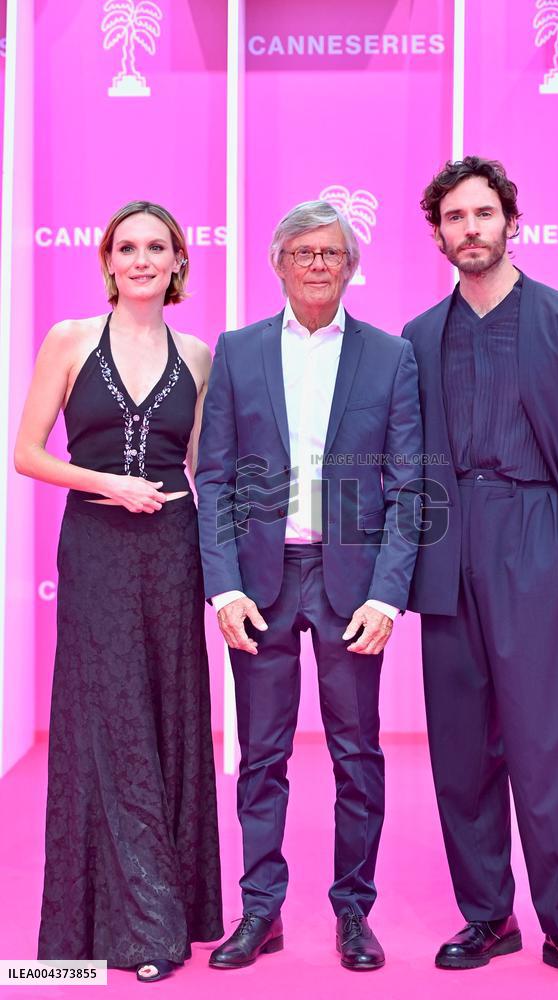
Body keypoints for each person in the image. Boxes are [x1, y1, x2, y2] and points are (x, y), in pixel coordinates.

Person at [402, 157, 558, 988]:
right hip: (445, 546)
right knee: (462, 751)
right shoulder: (418, 337)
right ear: (438, 234)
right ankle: (486, 916)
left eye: (483, 214)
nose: (470, 229)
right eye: (455, 218)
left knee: (543, 748)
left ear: (510, 222)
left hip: (537, 536)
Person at [196, 200, 422, 972]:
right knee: (261, 757)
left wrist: (388, 594)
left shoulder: (391, 358)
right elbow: (216, 476)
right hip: (258, 586)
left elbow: (407, 484)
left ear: (351, 265)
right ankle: (261, 910)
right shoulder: (239, 351)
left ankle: (353, 912)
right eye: (304, 252)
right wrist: (223, 588)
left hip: (352, 587)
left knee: (358, 754)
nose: (319, 264)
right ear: (279, 263)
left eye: (332, 253)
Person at [15, 201, 223, 983]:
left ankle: (174, 904)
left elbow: (206, 466)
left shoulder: (198, 356)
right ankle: (144, 926)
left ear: (177, 263)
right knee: (111, 722)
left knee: (169, 717)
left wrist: (237, 566)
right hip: (97, 547)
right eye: (127, 247)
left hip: (173, 554)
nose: (141, 259)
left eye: (157, 247)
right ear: (107, 260)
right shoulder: (68, 340)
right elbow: (27, 454)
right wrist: (104, 481)